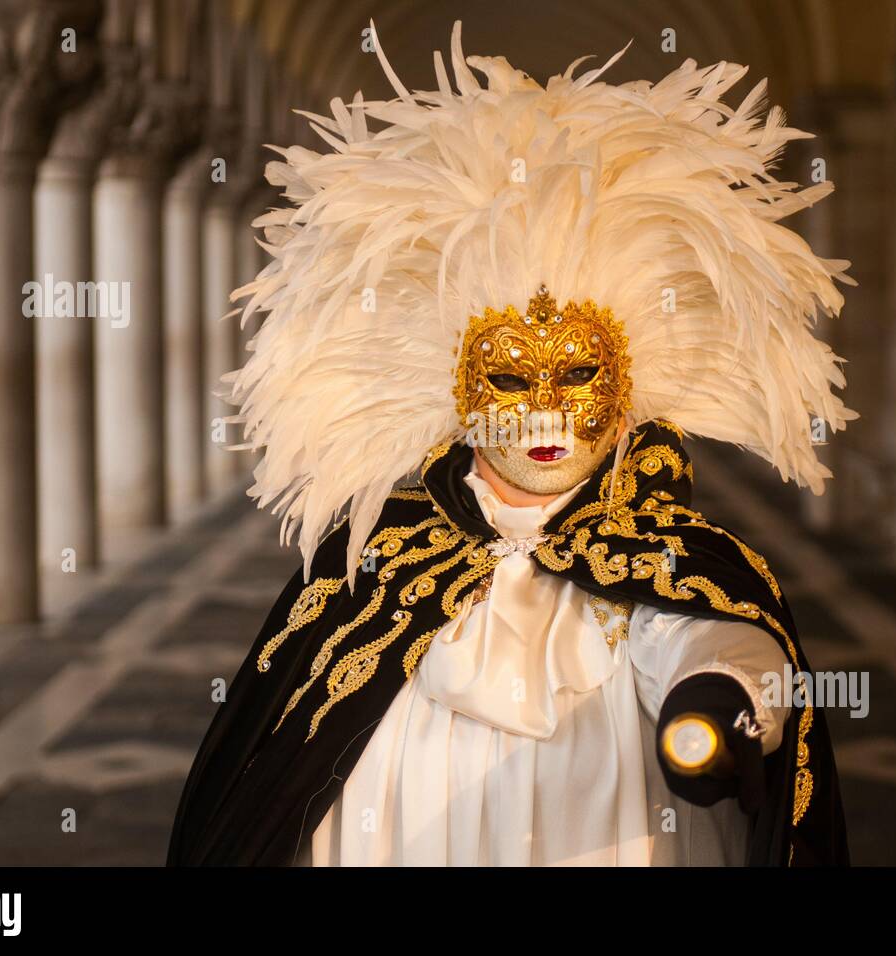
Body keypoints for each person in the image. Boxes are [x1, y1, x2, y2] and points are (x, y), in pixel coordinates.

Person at [168, 22, 853, 867]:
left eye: (574, 378)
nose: (542, 415)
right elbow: (274, 757)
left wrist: (715, 701)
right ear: (457, 389)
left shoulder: (678, 557)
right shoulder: (375, 567)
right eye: (508, 379)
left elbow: (706, 637)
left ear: (627, 388)